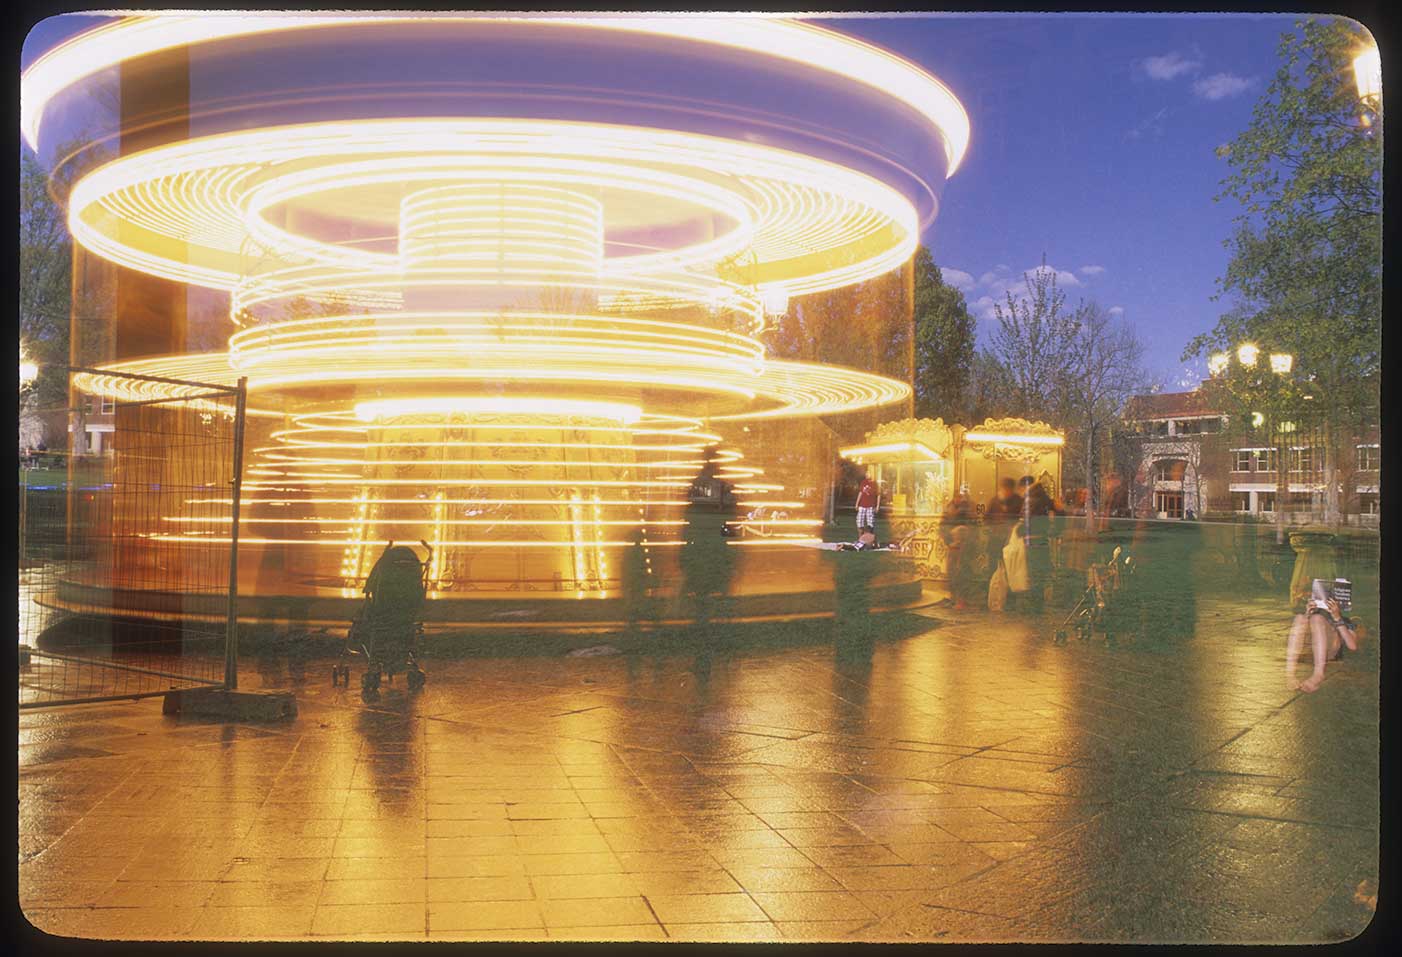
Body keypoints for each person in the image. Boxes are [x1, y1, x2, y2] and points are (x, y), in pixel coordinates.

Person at [1286, 597, 1359, 693]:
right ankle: (1290, 674)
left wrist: (1337, 618)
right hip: (1309, 649)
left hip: (1329, 651)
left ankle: (1318, 674)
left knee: (1317, 618)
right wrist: (1307, 614)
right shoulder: (1318, 611)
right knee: (1300, 617)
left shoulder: (1344, 618)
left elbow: (1352, 646)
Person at [983, 478, 1023, 602]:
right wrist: (993, 529)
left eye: (1007, 489)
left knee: (1010, 570)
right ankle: (993, 597)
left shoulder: (1018, 501)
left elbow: (1020, 519)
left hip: (1011, 542)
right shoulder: (994, 501)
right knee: (993, 569)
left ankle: (1010, 599)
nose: (1005, 491)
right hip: (995, 542)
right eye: (1003, 488)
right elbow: (986, 519)